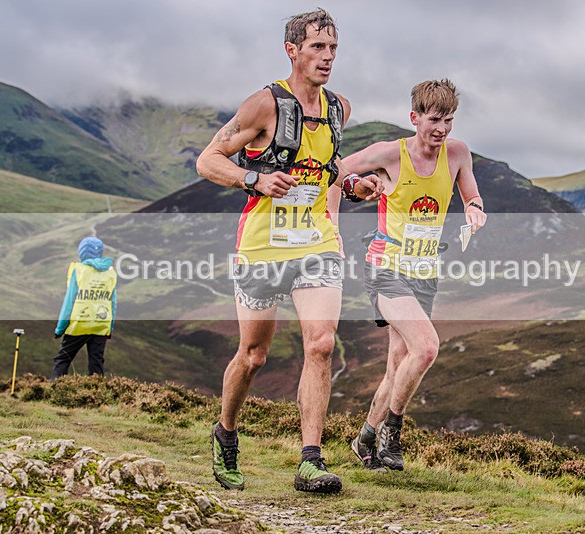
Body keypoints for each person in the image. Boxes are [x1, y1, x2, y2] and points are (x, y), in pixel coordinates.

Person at [196, 8, 381, 493]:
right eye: (317, 47)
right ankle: (226, 432)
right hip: (261, 245)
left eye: (333, 48)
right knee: (254, 355)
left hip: (317, 242)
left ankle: (310, 461)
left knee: (321, 344)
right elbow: (208, 160)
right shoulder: (263, 105)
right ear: (292, 50)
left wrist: (355, 184)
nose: (327, 57)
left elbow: (326, 166)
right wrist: (254, 178)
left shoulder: (339, 107)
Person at [340, 79, 487, 472]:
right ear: (415, 118)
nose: (442, 129)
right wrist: (353, 190)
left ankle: (365, 439)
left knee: (397, 367)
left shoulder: (457, 153)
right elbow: (333, 170)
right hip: (385, 266)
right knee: (425, 348)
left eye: (449, 120)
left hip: (424, 272)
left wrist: (474, 210)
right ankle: (392, 432)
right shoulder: (389, 154)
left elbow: (470, 194)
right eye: (435, 120)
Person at [51, 236, 117, 380]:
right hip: (100, 325)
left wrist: (60, 328)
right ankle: (98, 395)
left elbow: (69, 301)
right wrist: (109, 328)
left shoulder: (79, 270)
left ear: (82, 252)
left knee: (62, 359)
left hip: (79, 324)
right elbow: (113, 303)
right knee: (96, 363)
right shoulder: (110, 273)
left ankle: (53, 393)